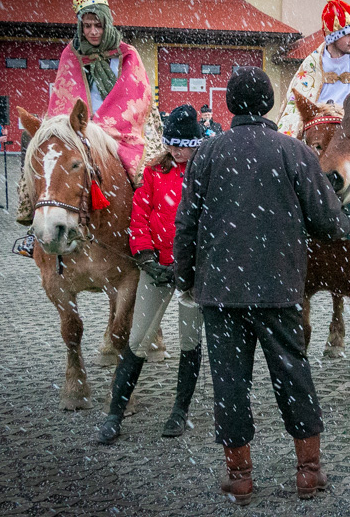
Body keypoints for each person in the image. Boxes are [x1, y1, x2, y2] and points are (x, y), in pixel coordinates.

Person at [173, 67, 350, 505]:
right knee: (294, 375)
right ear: (269, 102)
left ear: (231, 105)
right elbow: (326, 220)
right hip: (279, 289)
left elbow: (187, 224)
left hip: (220, 293)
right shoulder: (293, 152)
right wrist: (349, 223)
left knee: (230, 383)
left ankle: (240, 479)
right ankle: (308, 473)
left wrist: (186, 279)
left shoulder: (207, 153)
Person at [97, 105, 204, 445]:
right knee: (138, 338)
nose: (176, 150)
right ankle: (115, 411)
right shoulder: (155, 172)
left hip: (191, 271)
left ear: (196, 144)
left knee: (190, 341)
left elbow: (210, 223)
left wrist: (189, 263)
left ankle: (180, 409)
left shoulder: (206, 173)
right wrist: (144, 254)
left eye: (183, 145)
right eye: (172, 143)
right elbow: (140, 213)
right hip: (157, 266)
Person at [16, 0, 153, 225]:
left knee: (146, 173)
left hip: (122, 128)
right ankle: (34, 223)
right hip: (78, 126)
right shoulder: (71, 54)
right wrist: (76, 127)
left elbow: (135, 96)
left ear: (106, 24)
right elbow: (63, 95)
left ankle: (147, 227)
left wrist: (101, 128)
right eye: (87, 26)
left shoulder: (128, 54)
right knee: (44, 164)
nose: (92, 32)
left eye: (97, 25)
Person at [277, 0, 350, 138]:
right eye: (347, 34)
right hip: (318, 132)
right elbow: (295, 114)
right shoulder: (312, 65)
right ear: (333, 37)